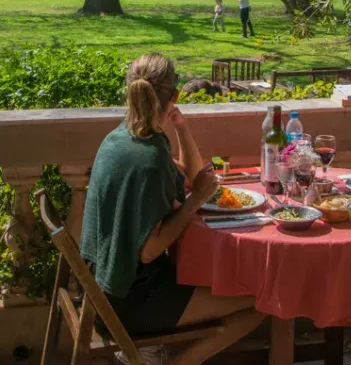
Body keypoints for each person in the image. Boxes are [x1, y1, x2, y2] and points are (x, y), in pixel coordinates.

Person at [81, 54, 265, 365]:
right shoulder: (149, 158)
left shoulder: (123, 136)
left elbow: (192, 179)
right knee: (264, 299)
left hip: (101, 290)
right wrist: (194, 202)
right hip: (131, 303)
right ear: (174, 96)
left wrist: (181, 125)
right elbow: (150, 250)